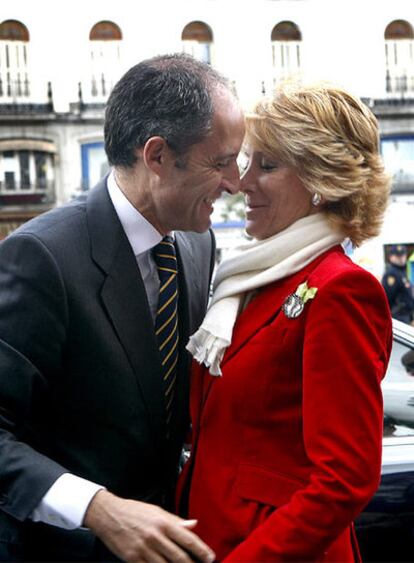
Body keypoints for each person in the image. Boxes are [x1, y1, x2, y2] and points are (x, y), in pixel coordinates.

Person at [0, 53, 245, 561]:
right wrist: (98, 508)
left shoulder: (197, 245)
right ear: (156, 156)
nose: (235, 183)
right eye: (220, 162)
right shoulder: (42, 257)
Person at [178, 82, 393, 561]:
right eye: (247, 161)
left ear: (322, 182)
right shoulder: (253, 279)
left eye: (267, 166)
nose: (241, 181)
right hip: (215, 538)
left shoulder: (341, 289)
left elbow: (347, 477)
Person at [382, 244, 414, 324]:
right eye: (397, 256)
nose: (401, 259)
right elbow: (387, 298)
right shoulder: (391, 274)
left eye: (402, 255)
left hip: (406, 316)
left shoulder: (402, 271)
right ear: (391, 257)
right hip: (398, 317)